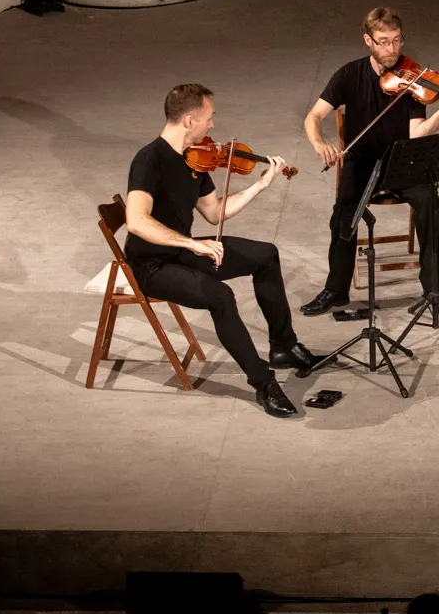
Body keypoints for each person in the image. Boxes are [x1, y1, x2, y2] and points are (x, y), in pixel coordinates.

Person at [123, 83, 313, 418]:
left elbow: (215, 212)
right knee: (220, 297)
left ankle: (283, 346)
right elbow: (136, 222)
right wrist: (192, 243)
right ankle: (263, 382)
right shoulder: (149, 160)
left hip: (182, 251)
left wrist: (260, 184)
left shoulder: (196, 158)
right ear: (188, 121)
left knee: (265, 255)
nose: (213, 125)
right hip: (150, 265)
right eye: (209, 118)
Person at [299, 7, 439, 318]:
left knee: (430, 205)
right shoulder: (349, 75)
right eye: (383, 42)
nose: (392, 50)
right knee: (343, 214)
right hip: (361, 161)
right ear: (368, 40)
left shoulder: (415, 78)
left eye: (396, 41)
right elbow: (314, 116)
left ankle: (434, 289)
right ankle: (335, 290)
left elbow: (416, 133)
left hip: (404, 162)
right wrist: (319, 143)